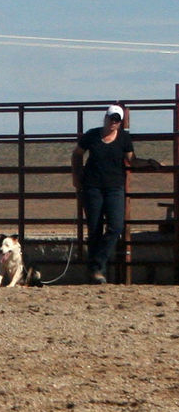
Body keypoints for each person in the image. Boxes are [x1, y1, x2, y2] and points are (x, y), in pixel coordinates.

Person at [71, 104, 161, 284]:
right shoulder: (92, 135)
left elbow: (132, 160)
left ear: (120, 122)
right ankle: (96, 271)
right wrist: (77, 176)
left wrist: (150, 162)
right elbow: (77, 154)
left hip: (114, 188)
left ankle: (96, 265)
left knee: (115, 226)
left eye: (117, 120)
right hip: (93, 187)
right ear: (105, 117)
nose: (113, 122)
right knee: (95, 228)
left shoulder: (124, 139)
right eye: (111, 118)